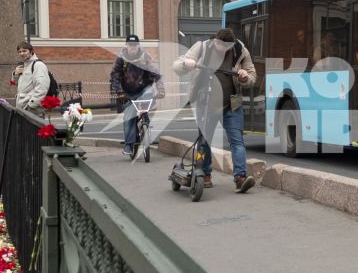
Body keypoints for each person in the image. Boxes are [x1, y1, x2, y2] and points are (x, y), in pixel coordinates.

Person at [175, 26, 257, 193]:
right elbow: (176, 66)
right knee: (204, 141)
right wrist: (186, 63)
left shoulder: (240, 49)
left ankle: (240, 178)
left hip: (231, 104)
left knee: (237, 141)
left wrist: (245, 77)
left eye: (228, 47)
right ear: (215, 42)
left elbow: (252, 76)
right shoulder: (202, 47)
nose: (225, 50)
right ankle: (204, 175)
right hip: (206, 104)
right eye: (222, 46)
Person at [109, 34, 164, 158]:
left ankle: (146, 127)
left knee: (148, 96)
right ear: (126, 45)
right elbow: (115, 77)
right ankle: (129, 145)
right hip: (127, 92)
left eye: (134, 45)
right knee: (129, 115)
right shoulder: (121, 59)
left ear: (138, 45)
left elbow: (157, 74)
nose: (132, 47)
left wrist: (161, 90)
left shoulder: (145, 57)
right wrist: (120, 92)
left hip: (144, 88)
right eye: (130, 45)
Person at [15, 39, 51, 111]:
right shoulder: (25, 65)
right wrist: (15, 75)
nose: (21, 53)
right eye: (19, 52)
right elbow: (21, 86)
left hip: (32, 108)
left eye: (24, 51)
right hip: (22, 107)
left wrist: (31, 105)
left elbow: (42, 87)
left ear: (31, 51)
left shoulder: (38, 65)